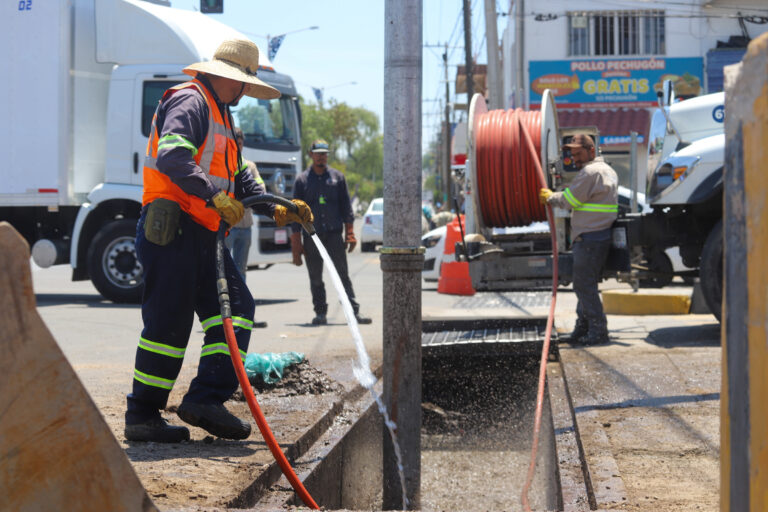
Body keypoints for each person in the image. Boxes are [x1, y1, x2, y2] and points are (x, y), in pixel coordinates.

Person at [124, 38, 312, 443]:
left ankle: (205, 399)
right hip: (174, 230)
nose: (246, 92)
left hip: (203, 234)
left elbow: (239, 177)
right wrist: (215, 196)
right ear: (233, 78)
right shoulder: (191, 100)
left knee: (237, 310)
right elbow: (173, 156)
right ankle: (142, 415)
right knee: (168, 325)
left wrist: (278, 208)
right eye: (246, 83)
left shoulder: (221, 113)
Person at [539, 133, 618, 345]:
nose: (575, 159)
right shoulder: (607, 170)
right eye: (572, 155)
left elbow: (570, 200)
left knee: (584, 287)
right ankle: (583, 329)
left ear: (591, 151)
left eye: (578, 154)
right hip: (598, 236)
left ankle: (598, 331)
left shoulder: (590, 172)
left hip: (590, 238)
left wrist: (550, 197)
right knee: (586, 285)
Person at [290, 139, 372, 326]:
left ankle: (353, 312)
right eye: (318, 154)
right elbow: (295, 213)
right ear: (311, 155)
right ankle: (320, 313)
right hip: (312, 237)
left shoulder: (338, 178)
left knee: (343, 275)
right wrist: (296, 242)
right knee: (316, 278)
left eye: (324, 154)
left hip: (334, 236)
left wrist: (350, 233)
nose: (321, 157)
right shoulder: (302, 181)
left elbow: (346, 208)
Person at [225, 127, 261, 279]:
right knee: (224, 267)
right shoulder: (224, 164)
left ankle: (240, 295)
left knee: (241, 269)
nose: (237, 147)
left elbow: (260, 189)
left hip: (245, 226)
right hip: (228, 226)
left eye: (239, 143)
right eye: (235, 143)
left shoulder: (250, 166)